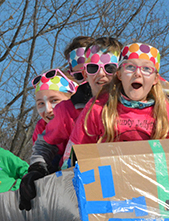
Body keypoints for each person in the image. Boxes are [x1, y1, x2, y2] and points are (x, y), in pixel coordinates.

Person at [19, 36, 122, 211]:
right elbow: (46, 143)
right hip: (82, 184)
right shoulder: (69, 109)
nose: (101, 74)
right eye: (91, 68)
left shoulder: (138, 104)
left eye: (109, 68)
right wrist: (38, 169)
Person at [65, 42, 169, 154]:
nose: (137, 73)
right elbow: (76, 148)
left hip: (153, 174)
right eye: (130, 67)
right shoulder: (100, 108)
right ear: (119, 75)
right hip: (109, 173)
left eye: (146, 69)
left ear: (155, 79)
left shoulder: (167, 111)